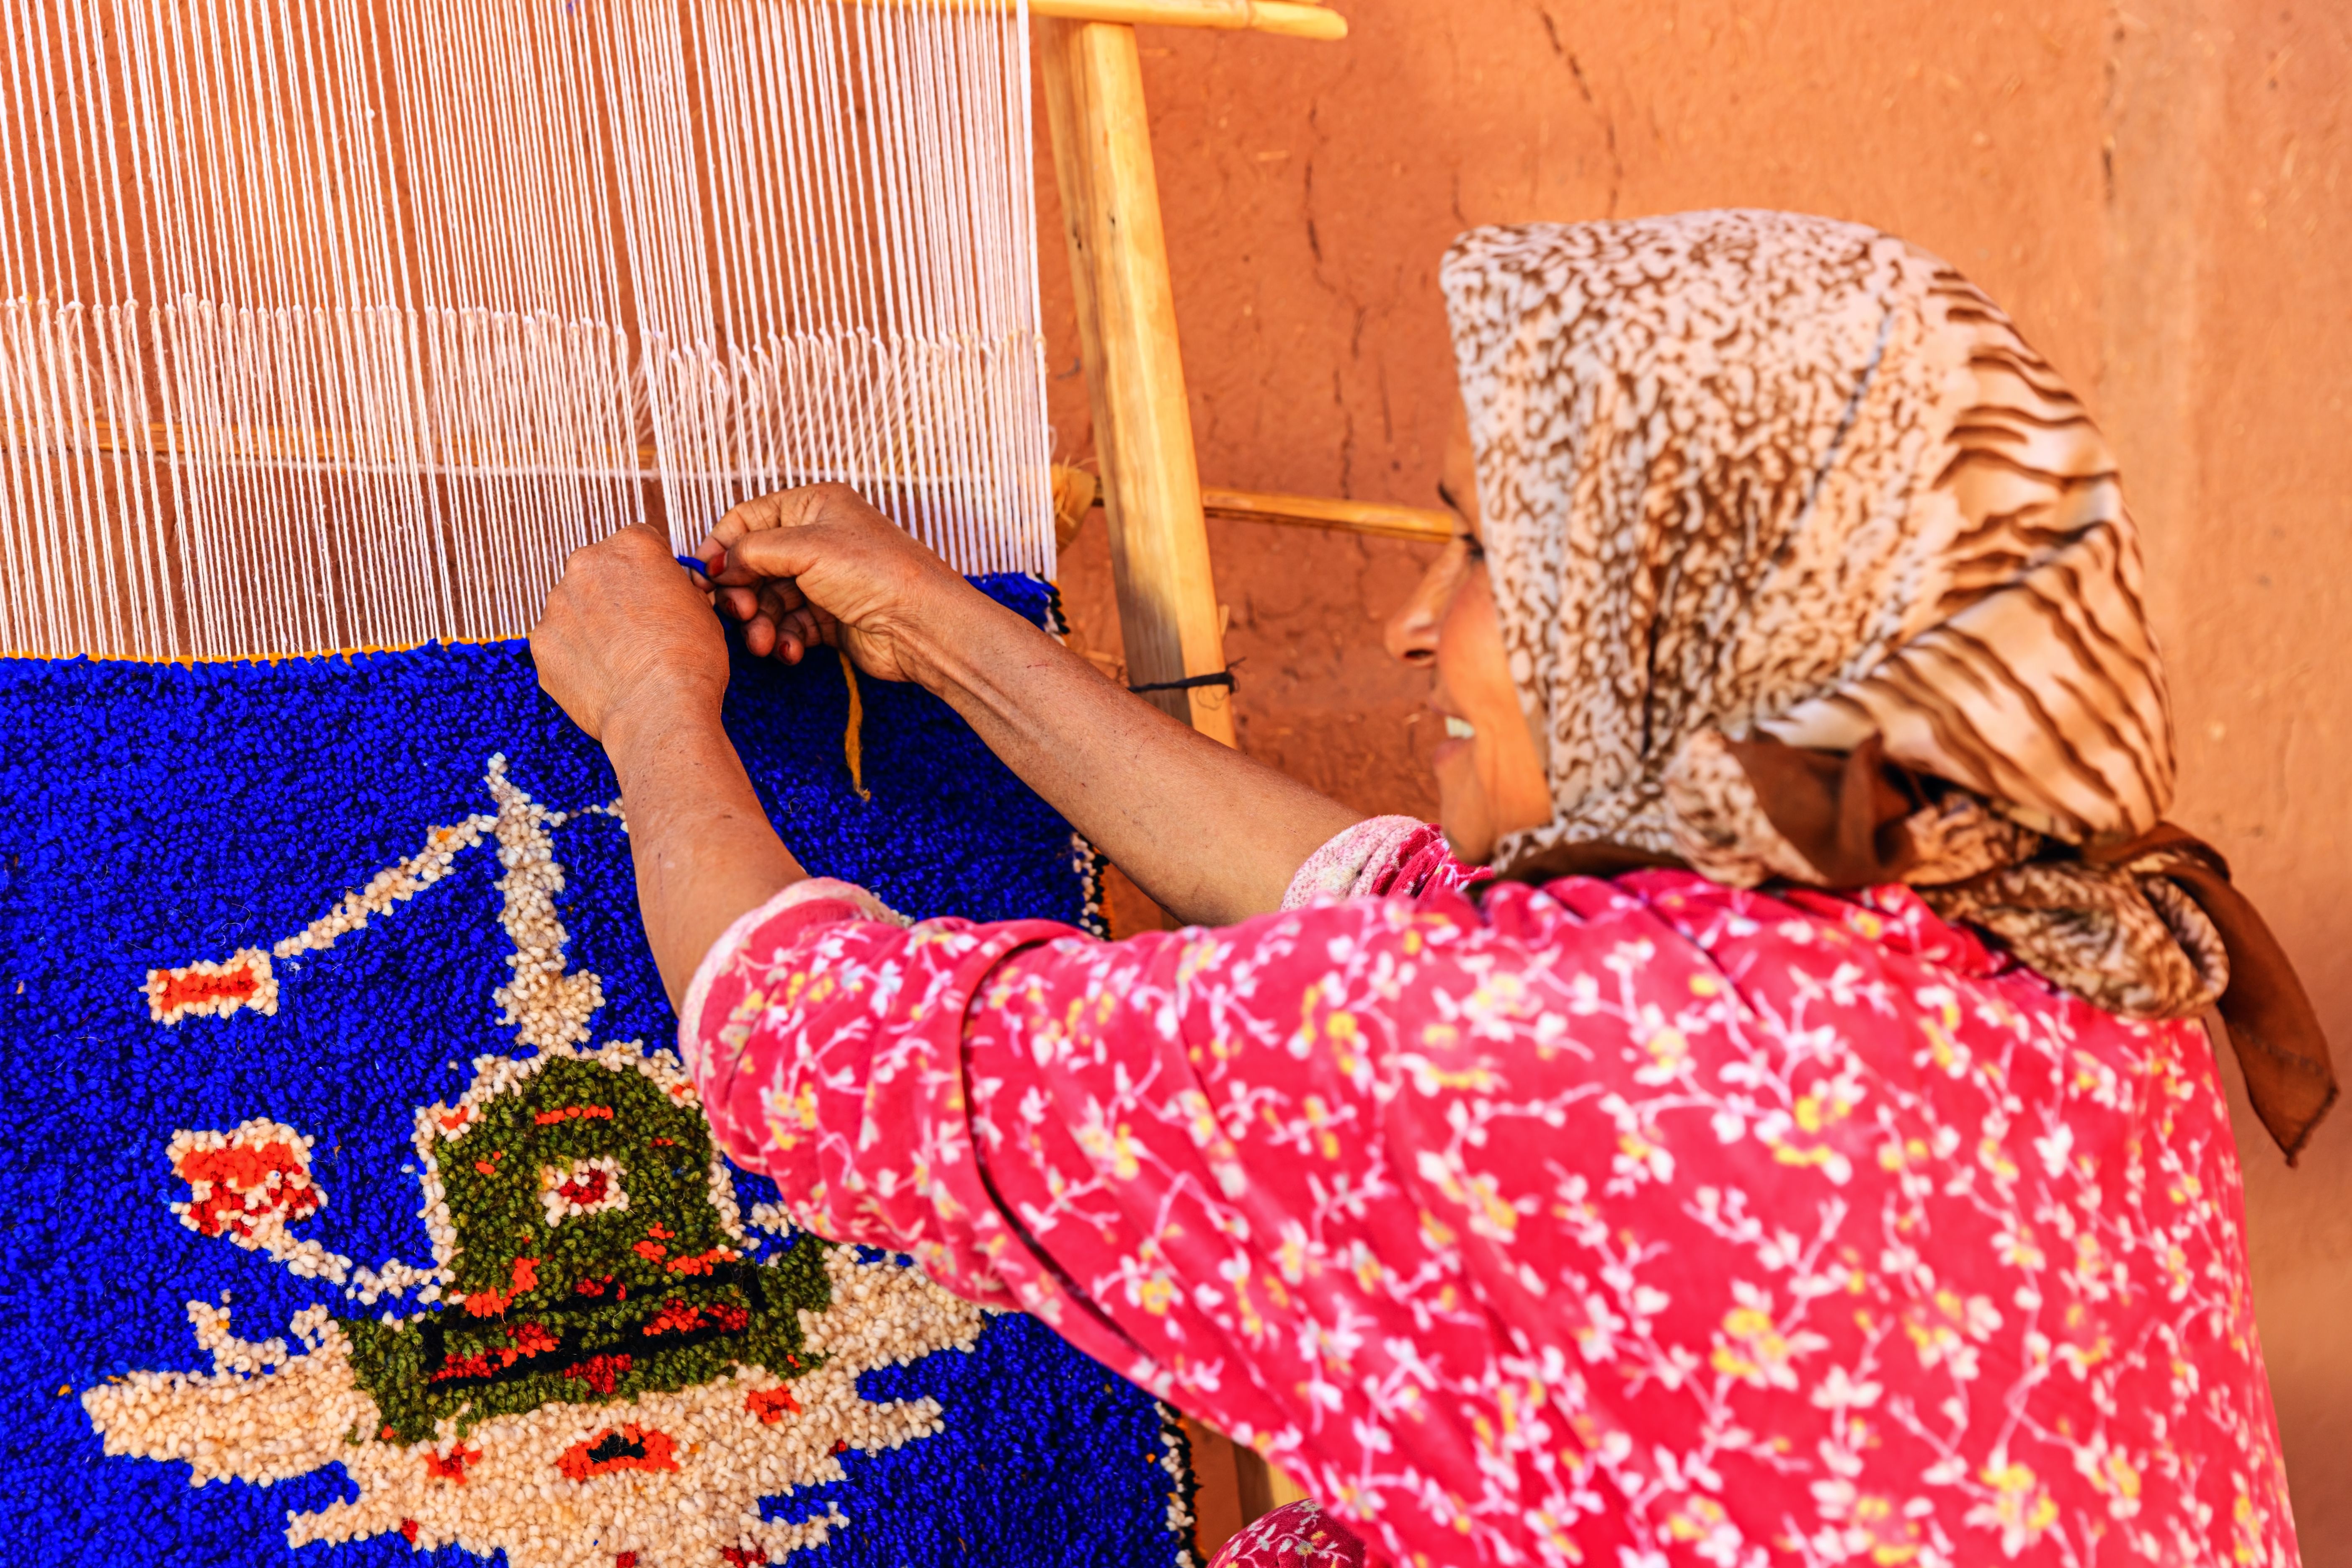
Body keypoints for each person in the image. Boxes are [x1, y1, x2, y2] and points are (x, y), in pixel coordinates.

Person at [529, 209, 2332, 1568]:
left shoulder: (1545, 1059)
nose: (1413, 622)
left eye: (1485, 555)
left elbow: (825, 1045)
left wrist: (651, 703)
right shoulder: (2063, 949)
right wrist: (935, 626)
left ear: (1678, 617)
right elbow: (1385, 925)